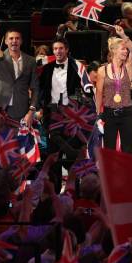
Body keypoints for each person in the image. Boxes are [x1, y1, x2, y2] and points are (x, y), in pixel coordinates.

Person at [39, 38, 93, 190]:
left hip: (71, 116)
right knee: (53, 155)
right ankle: (53, 192)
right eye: (55, 49)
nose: (58, 51)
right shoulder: (47, 67)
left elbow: (87, 87)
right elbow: (41, 89)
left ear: (67, 49)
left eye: (61, 48)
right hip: (53, 114)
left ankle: (73, 190)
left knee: (72, 156)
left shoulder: (77, 66)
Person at [0, 24, 39, 126]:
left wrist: (31, 110)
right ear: (6, 41)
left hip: (21, 109)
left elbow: (35, 87)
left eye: (17, 38)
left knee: (18, 141)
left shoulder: (31, 61)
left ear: (21, 41)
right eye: (11, 38)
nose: (14, 41)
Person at [95, 26, 132, 153]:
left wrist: (123, 35)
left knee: (127, 150)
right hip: (109, 114)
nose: (126, 52)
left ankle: (126, 173)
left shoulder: (128, 67)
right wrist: (98, 116)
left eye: (126, 49)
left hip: (127, 114)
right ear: (113, 51)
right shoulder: (102, 70)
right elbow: (99, 94)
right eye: (123, 49)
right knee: (109, 150)